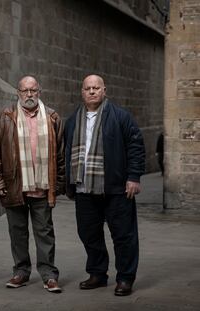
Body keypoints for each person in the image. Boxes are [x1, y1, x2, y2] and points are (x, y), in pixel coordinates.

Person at [64, 74, 145, 296]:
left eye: (96, 88)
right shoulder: (72, 120)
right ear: (82, 92)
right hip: (84, 188)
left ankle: (125, 278)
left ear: (104, 90)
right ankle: (98, 274)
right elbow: (66, 152)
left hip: (116, 188)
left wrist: (134, 177)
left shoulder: (120, 116)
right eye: (88, 88)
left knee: (123, 235)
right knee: (88, 233)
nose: (92, 91)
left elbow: (135, 146)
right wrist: (67, 184)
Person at [0, 75, 65, 293]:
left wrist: (58, 185)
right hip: (14, 187)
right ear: (18, 93)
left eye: (33, 90)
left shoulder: (52, 117)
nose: (29, 95)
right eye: (24, 91)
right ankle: (21, 272)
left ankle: (49, 275)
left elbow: (60, 155)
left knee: (44, 232)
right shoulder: (5, 117)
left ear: (39, 91)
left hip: (42, 188)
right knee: (17, 233)